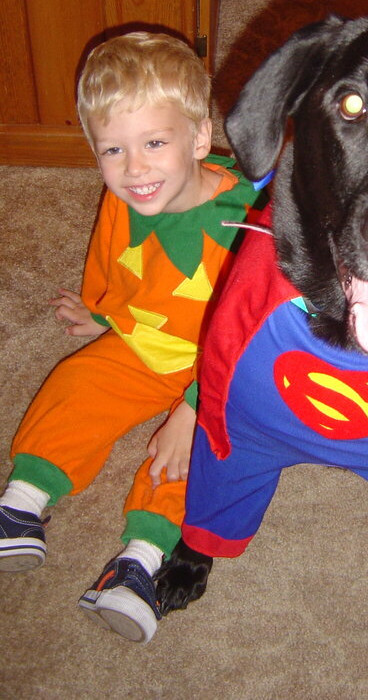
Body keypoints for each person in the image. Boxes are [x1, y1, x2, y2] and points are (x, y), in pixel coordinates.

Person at [0, 32, 263, 644]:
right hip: (147, 345)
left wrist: (192, 410)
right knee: (76, 381)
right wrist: (104, 314)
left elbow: (255, 330)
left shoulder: (246, 221)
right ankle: (22, 498)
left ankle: (141, 561)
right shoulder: (127, 192)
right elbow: (111, 259)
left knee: (193, 454)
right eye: (112, 149)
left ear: (199, 138)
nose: (134, 169)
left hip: (223, 371)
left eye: (154, 143)